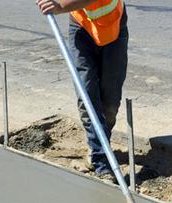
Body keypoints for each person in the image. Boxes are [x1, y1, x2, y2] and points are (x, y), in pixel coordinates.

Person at [36, 0, 128, 181]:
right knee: (87, 95)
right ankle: (101, 160)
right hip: (81, 28)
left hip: (114, 27)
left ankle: (101, 143)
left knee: (110, 102)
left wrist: (60, 6)